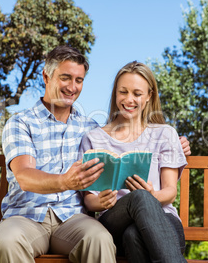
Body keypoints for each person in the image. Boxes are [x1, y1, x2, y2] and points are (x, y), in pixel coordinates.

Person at [0, 46, 190, 263]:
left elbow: (131, 137)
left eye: (79, 80)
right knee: (7, 241)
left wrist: (178, 144)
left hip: (72, 220)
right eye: (65, 78)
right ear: (46, 76)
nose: (72, 87)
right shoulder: (21, 123)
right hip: (25, 216)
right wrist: (65, 181)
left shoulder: (88, 127)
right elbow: (25, 175)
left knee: (102, 238)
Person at [79, 61, 188, 263]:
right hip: (114, 222)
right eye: (123, 92)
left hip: (164, 223)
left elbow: (171, 191)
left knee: (134, 234)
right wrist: (101, 201)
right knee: (139, 198)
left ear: (149, 96)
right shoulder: (93, 139)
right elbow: (88, 199)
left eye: (137, 94)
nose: (129, 99)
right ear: (115, 94)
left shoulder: (165, 133)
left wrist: (153, 195)